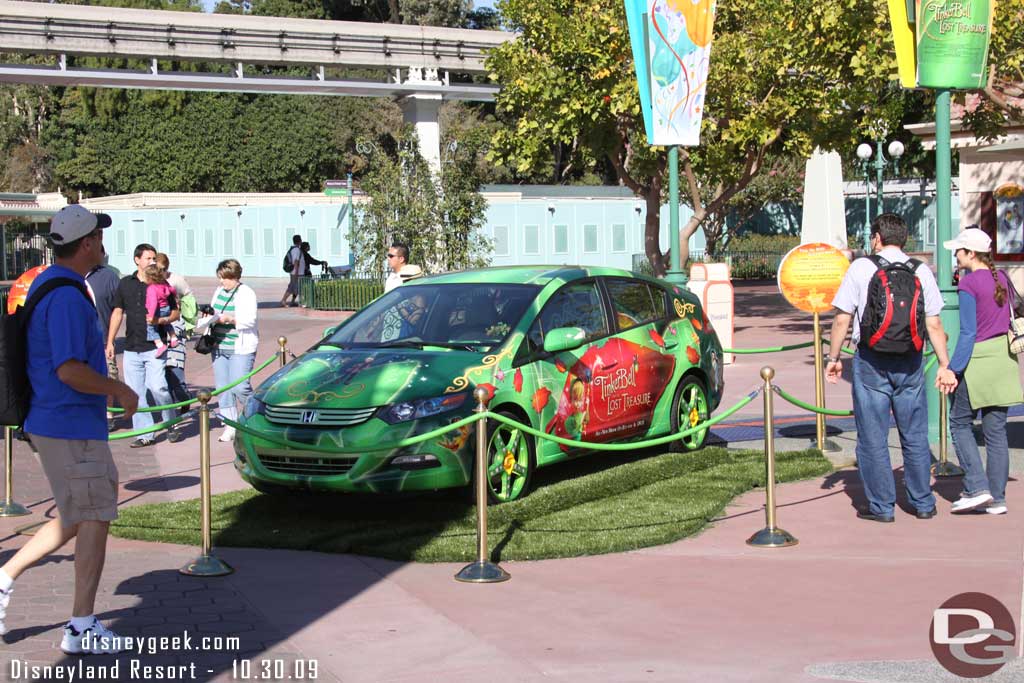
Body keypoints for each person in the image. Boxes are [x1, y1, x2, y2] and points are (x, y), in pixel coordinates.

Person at [0, 204, 138, 653]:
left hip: (63, 423)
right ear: (87, 243)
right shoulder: (64, 295)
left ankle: (4, 577)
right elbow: (68, 369)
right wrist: (119, 390)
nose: (102, 240)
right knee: (95, 515)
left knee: (77, 514)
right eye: (98, 234)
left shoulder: (53, 283)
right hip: (67, 423)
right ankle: (81, 626)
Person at [825, 213, 956, 523]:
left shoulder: (861, 267)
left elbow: (843, 317)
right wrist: (944, 364)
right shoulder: (921, 270)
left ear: (876, 238)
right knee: (914, 435)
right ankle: (922, 501)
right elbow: (934, 323)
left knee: (872, 437)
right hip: (910, 360)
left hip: (871, 360)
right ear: (904, 238)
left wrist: (833, 358)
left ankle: (882, 507)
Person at [942, 227, 1023, 515]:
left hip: (976, 360)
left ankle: (977, 487)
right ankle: (997, 498)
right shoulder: (1001, 277)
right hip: (1003, 359)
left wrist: (952, 369)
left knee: (959, 422)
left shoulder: (968, 285)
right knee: (996, 431)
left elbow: (968, 333)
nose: (956, 254)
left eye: (959, 250)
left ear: (971, 253)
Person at [106, 244, 184, 446]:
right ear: (137, 260)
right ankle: (145, 434)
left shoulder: (160, 282)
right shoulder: (125, 284)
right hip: (132, 348)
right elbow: (117, 312)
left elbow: (176, 312)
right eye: (148, 258)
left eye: (153, 259)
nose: (152, 262)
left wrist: (162, 321)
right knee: (136, 393)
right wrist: (110, 341)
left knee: (159, 388)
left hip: (155, 347)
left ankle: (171, 423)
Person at [209, 259, 259, 442]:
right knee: (223, 389)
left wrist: (230, 319)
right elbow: (215, 311)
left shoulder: (246, 293)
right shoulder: (219, 291)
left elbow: (250, 320)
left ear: (235, 276)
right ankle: (230, 425)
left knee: (239, 386)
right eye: (220, 278)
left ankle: (253, 416)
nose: (222, 282)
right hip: (219, 346)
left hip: (240, 346)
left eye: (225, 278)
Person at [85, 247, 122, 430]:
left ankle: (108, 414)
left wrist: (111, 339)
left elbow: (118, 309)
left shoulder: (109, 277)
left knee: (108, 375)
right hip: (77, 339)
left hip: (102, 338)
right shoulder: (69, 275)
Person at [155, 253, 195, 412]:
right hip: (156, 327)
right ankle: (170, 409)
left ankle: (184, 396)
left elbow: (189, 298)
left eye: (163, 269)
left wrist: (190, 321)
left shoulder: (176, 280)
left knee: (174, 366)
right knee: (161, 370)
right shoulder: (149, 281)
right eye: (157, 269)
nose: (161, 272)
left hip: (175, 325)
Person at [143, 264, 179, 356]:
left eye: (146, 277)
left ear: (150, 278)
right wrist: (175, 295)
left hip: (158, 310)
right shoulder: (164, 284)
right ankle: (173, 338)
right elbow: (172, 289)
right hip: (166, 308)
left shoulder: (151, 288)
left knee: (150, 327)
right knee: (167, 323)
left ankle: (159, 344)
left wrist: (151, 315)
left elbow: (153, 303)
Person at [280, 235, 305, 307]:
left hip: (297, 272)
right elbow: (296, 261)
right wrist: (296, 272)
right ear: (300, 241)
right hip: (296, 273)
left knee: (297, 287)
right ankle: (283, 300)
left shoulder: (295, 249)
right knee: (292, 287)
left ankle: (294, 301)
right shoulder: (296, 250)